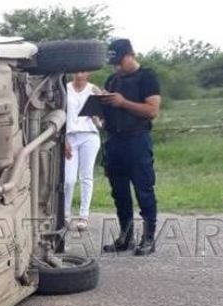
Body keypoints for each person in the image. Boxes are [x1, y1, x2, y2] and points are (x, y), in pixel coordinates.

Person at [100, 39, 161, 256]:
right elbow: (108, 111)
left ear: (131, 54)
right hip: (114, 141)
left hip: (137, 140)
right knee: (119, 193)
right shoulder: (111, 80)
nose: (117, 67)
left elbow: (152, 110)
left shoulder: (147, 77)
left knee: (144, 190)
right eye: (113, 63)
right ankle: (125, 237)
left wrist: (122, 102)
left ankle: (148, 238)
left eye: (119, 61)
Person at [64, 71, 102, 231]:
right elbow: (60, 115)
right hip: (70, 136)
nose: (80, 75)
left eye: (83, 71)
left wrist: (96, 119)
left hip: (89, 135)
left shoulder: (94, 90)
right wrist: (63, 139)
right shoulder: (65, 89)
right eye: (77, 71)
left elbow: (102, 120)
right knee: (68, 179)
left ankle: (83, 216)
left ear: (88, 73)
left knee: (86, 176)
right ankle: (65, 215)